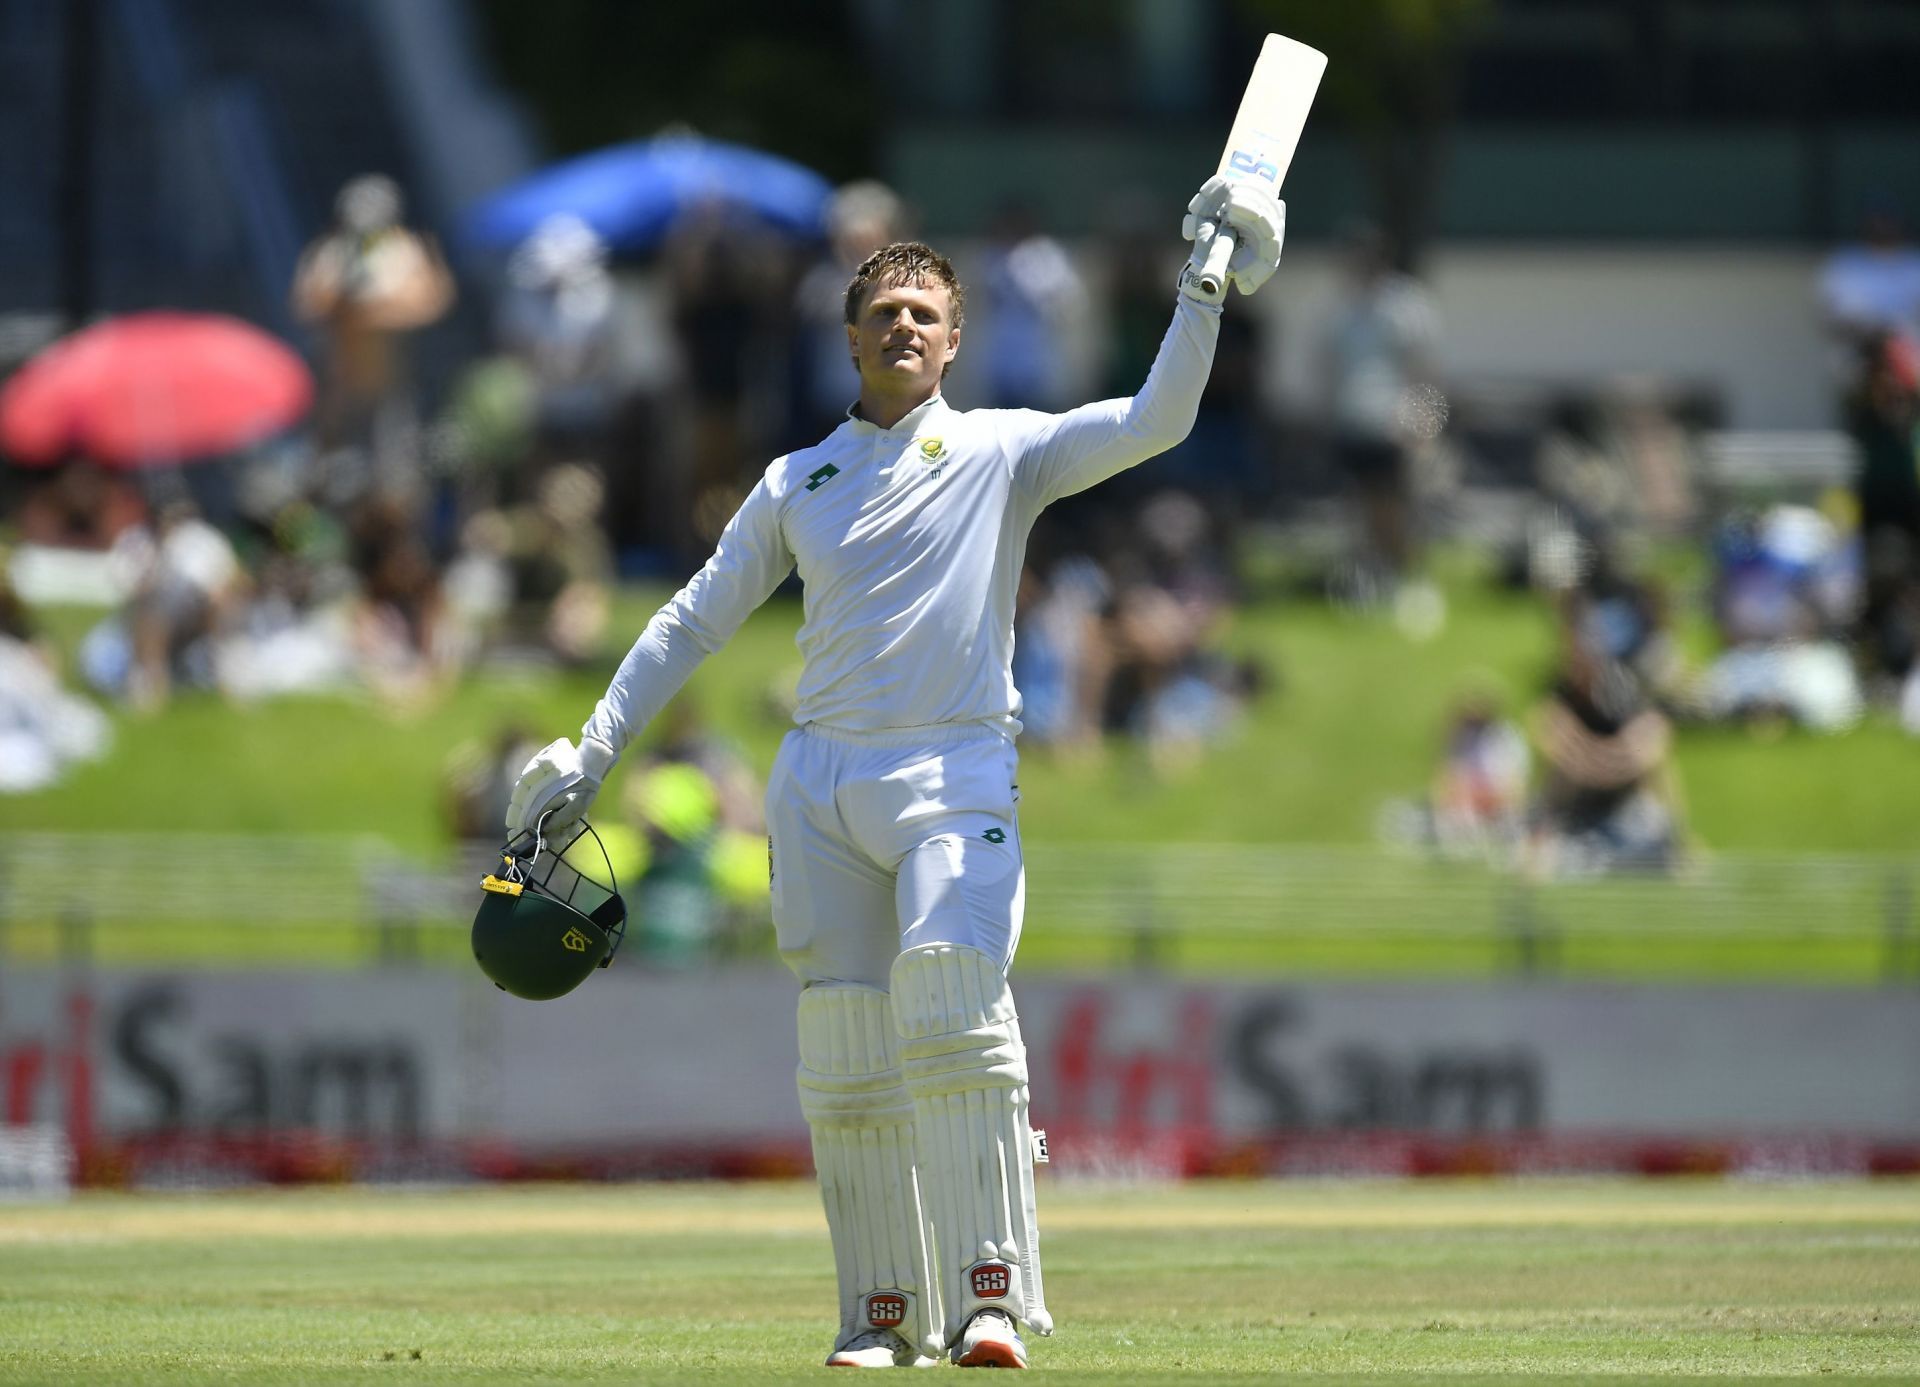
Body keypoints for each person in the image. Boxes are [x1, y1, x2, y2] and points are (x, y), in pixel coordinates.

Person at [502, 176, 1286, 1369]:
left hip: (956, 770)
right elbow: (691, 623)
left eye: (926, 312)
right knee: (845, 1056)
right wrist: (593, 750)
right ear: (852, 336)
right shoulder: (794, 481)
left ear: (955, 337)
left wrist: (1206, 286)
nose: (906, 328)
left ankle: (988, 1298)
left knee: (950, 991)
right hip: (822, 780)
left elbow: (1154, 420)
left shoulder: (1001, 450)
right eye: (886, 314)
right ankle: (879, 1313)